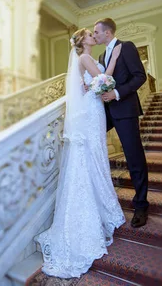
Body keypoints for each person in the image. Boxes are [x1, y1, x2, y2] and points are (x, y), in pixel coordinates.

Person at [35, 28, 125, 278]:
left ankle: (100, 205)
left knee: (93, 156)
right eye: (89, 34)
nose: (93, 36)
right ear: (82, 41)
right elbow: (104, 80)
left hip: (91, 108)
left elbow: (91, 83)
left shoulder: (83, 58)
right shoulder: (84, 57)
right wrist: (115, 59)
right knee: (92, 156)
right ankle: (94, 213)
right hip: (91, 110)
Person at [93, 17, 149, 228]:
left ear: (107, 33)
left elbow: (139, 76)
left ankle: (141, 204)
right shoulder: (100, 55)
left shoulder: (126, 47)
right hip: (105, 112)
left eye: (96, 32)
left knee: (134, 157)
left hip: (125, 109)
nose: (94, 35)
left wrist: (116, 93)